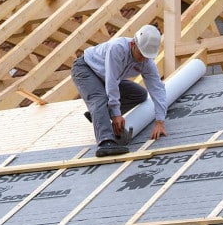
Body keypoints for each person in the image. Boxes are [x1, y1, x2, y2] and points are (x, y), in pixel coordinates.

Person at [71, 24, 168, 157]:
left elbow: (157, 89)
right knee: (99, 99)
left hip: (106, 76)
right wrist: (116, 114)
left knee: (139, 94)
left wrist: (160, 122)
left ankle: (100, 114)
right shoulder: (118, 48)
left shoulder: (146, 62)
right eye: (141, 55)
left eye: (147, 56)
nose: (143, 59)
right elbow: (112, 81)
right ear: (133, 44)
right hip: (86, 69)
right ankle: (106, 142)